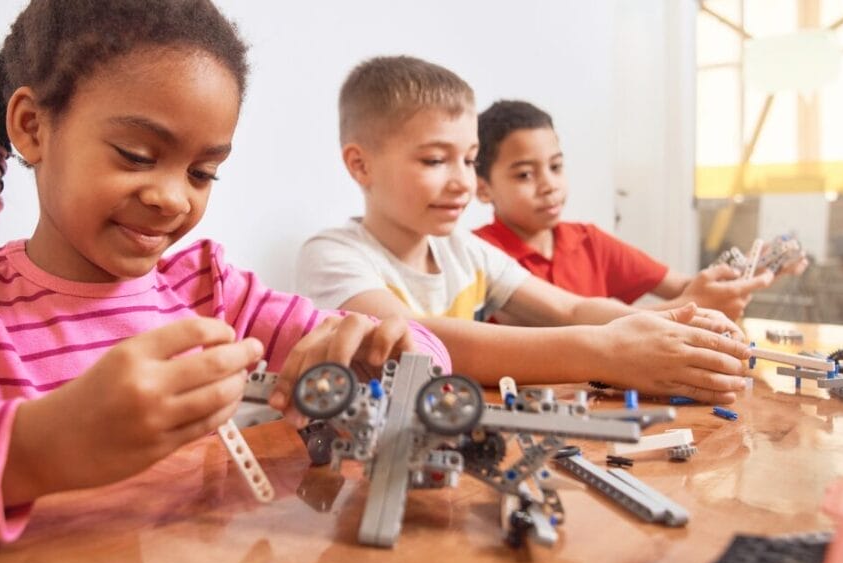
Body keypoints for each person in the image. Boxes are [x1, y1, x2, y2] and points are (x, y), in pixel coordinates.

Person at [0, 1, 448, 545]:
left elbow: (424, 359)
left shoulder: (212, 292)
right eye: (137, 156)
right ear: (33, 127)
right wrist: (39, 448)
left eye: (202, 173)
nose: (174, 198)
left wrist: (384, 351)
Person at [294, 55, 750, 406]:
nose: (463, 182)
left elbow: (571, 311)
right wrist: (605, 352)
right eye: (435, 160)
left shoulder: (465, 251)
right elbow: (419, 340)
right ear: (360, 164)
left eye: (470, 160)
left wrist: (676, 319)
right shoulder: (333, 255)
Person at [472, 99, 799, 321]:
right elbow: (566, 326)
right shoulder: (478, 255)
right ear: (482, 186)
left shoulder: (588, 241)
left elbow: (688, 287)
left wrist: (756, 270)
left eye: (556, 167)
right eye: (525, 175)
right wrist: (684, 308)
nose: (549, 185)